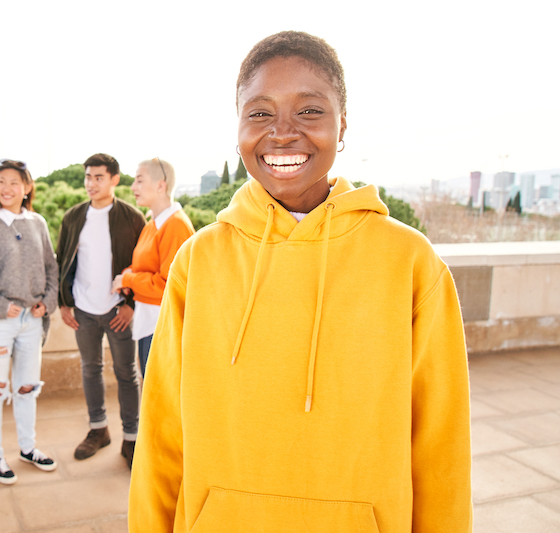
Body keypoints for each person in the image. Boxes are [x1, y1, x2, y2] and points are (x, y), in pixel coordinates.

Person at [128, 31, 472, 532]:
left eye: (309, 111)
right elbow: (161, 436)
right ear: (239, 127)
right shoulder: (197, 262)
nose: (283, 132)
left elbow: (441, 452)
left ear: (342, 126)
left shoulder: (411, 262)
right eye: (260, 113)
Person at [0, 159, 59, 484]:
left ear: (27, 187)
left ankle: (27, 448)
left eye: (14, 183)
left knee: (26, 387)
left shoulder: (38, 223)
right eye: (1, 182)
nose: (6, 189)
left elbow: (52, 267)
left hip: (32, 322)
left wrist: (46, 303)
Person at [56, 153, 145, 468]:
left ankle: (132, 438)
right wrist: (64, 302)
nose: (91, 184)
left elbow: (142, 265)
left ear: (114, 180)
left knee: (127, 374)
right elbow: (63, 259)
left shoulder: (133, 218)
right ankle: (98, 430)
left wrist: (130, 305)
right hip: (83, 310)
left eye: (98, 177)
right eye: (88, 177)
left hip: (118, 311)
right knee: (90, 369)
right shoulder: (73, 217)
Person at [111, 158, 194, 377]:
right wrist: (129, 273)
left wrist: (126, 280)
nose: (133, 187)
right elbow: (144, 266)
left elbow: (167, 286)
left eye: (139, 180)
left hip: (163, 325)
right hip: (148, 321)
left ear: (161, 185)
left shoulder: (176, 225)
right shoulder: (152, 225)